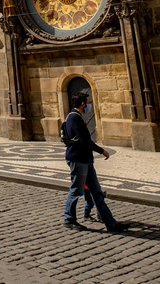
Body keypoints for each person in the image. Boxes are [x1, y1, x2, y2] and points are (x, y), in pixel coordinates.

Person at [62, 93, 128, 232]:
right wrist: (101, 150)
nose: (88, 106)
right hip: (78, 160)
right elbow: (85, 141)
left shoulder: (75, 117)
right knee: (76, 190)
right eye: (87, 103)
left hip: (85, 160)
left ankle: (110, 223)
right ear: (82, 104)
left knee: (97, 192)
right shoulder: (74, 118)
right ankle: (69, 219)